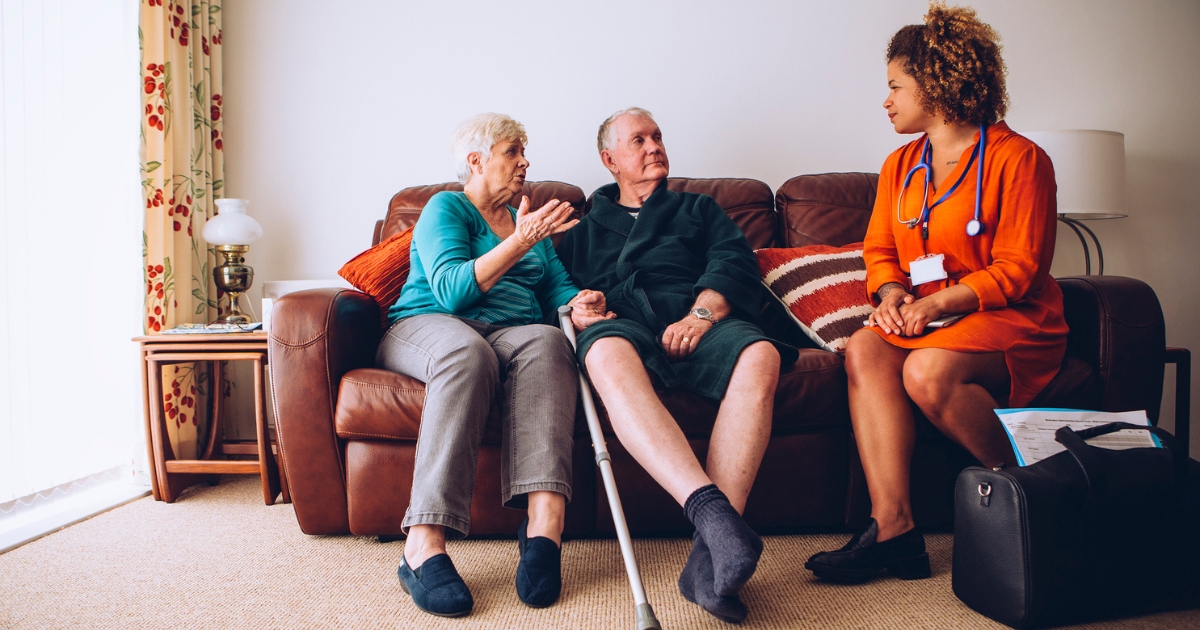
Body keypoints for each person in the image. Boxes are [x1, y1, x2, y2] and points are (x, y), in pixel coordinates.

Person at [805, 3, 1067, 583]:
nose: (886, 100)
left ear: (938, 84)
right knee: (868, 349)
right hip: (929, 318)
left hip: (1008, 317)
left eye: (896, 86)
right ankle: (894, 531)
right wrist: (894, 293)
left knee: (925, 372)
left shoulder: (1019, 159)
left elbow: (1021, 268)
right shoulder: (900, 165)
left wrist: (937, 305)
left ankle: (1051, 496)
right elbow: (880, 252)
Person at [557, 107, 797, 624]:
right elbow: (555, 290)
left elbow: (733, 261)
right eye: (638, 140)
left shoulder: (698, 209)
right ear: (610, 160)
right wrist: (578, 305)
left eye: (658, 136)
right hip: (623, 319)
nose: (654, 146)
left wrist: (701, 315)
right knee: (601, 351)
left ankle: (708, 561)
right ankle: (717, 520)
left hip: (696, 312)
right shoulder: (578, 231)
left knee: (761, 355)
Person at [378, 113, 614, 617]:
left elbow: (555, 291)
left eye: (524, 151)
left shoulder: (526, 224)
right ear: (476, 160)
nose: (525, 161)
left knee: (551, 342)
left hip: (509, 331)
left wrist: (581, 304)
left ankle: (543, 528)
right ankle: (422, 545)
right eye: (513, 151)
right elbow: (453, 291)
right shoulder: (447, 208)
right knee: (468, 353)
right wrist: (520, 240)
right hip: (429, 323)